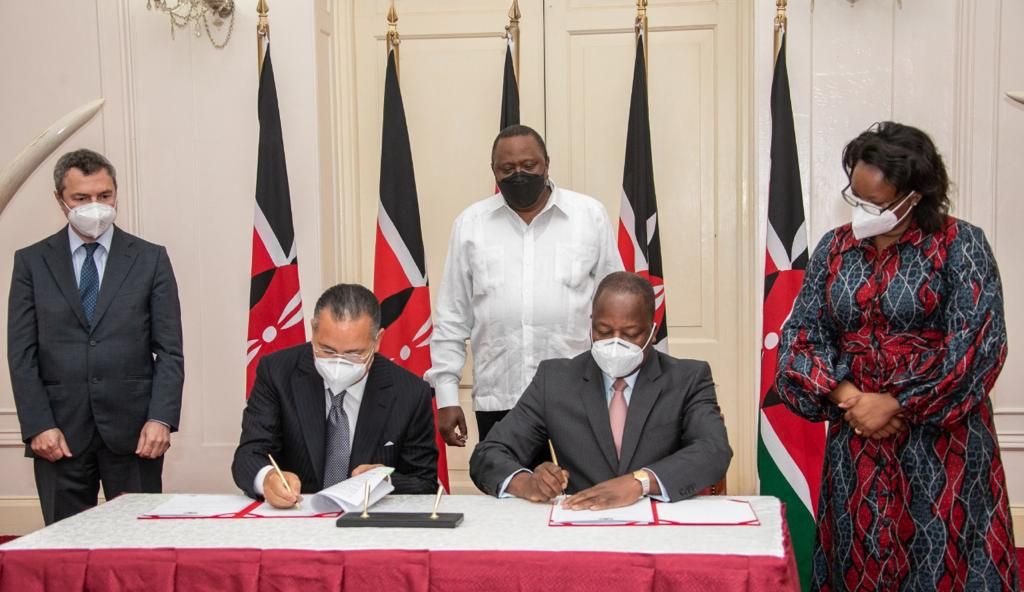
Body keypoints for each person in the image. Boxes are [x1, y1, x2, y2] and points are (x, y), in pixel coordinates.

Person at [775, 122, 1022, 592]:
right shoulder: (834, 249)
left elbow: (978, 347)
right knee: (858, 575)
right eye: (856, 197)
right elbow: (799, 340)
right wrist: (849, 397)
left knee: (943, 579)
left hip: (943, 452)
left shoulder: (960, 244)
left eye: (877, 202)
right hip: (857, 449)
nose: (863, 211)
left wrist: (895, 403)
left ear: (915, 196)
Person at [7, 148, 184, 525]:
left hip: (136, 434)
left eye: (104, 195)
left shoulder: (150, 259)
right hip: (58, 436)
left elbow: (170, 351)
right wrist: (38, 425)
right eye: (81, 198)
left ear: (116, 193)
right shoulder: (31, 262)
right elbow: (21, 354)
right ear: (60, 200)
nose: (95, 206)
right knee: (65, 546)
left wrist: (161, 418)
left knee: (137, 544)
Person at [427, 124, 622, 447]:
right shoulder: (470, 225)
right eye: (507, 169)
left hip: (576, 397)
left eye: (529, 165)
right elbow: (452, 317)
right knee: (504, 478)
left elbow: (616, 306)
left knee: (579, 481)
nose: (519, 174)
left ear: (546, 164)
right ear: (494, 171)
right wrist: (447, 397)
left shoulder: (589, 216)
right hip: (499, 398)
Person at [470, 272, 731, 508]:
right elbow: (488, 454)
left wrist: (640, 482)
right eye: (604, 331)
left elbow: (713, 450)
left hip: (660, 524)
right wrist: (527, 483)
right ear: (591, 325)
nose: (616, 342)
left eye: (630, 333)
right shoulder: (556, 380)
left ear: (652, 332)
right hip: (582, 522)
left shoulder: (687, 378)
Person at [232, 283, 438, 507]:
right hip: (297, 514)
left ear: (377, 340)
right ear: (314, 330)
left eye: (354, 354)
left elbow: (424, 481)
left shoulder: (410, 392)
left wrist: (385, 480)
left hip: (367, 519)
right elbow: (249, 455)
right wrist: (268, 478)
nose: (339, 363)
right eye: (327, 350)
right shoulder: (277, 372)